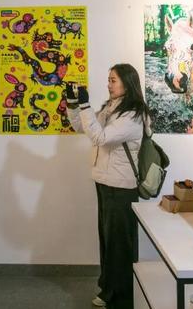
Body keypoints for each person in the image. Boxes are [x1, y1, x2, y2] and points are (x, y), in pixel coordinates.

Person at [65, 63, 150, 309]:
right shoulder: (111, 107)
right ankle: (108, 290)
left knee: (120, 244)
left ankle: (122, 298)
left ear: (127, 83)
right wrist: (73, 103)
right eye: (109, 79)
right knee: (108, 241)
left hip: (121, 186)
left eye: (113, 80)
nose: (108, 84)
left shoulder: (133, 114)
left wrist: (85, 105)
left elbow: (100, 137)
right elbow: (82, 127)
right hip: (105, 181)